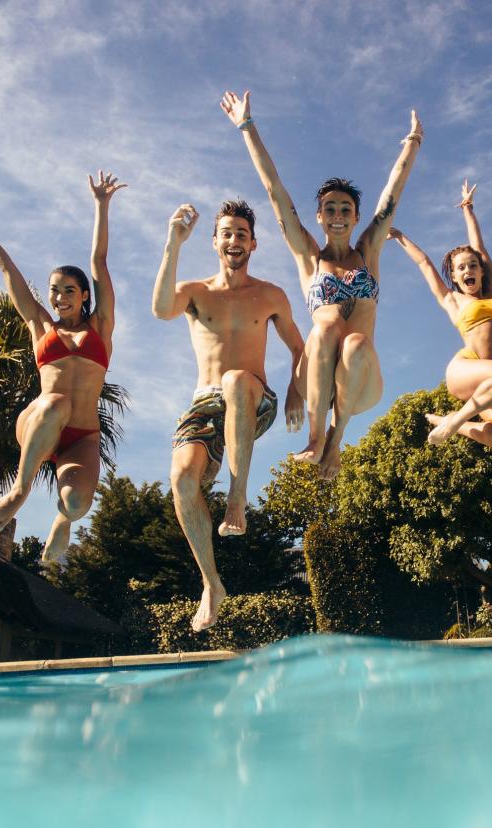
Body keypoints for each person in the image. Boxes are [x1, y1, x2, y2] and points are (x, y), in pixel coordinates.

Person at [220, 89, 422, 478]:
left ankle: (334, 438)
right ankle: (315, 437)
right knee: (327, 325)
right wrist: (247, 126)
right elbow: (274, 191)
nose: (338, 215)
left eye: (346, 209)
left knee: (358, 340)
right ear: (318, 217)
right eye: (329, 208)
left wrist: (412, 144)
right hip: (315, 371)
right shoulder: (309, 257)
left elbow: (391, 196)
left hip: (359, 381)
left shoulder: (368, 253)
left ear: (356, 215)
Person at [0, 171, 124, 562]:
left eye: (68, 291)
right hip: (40, 421)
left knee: (79, 503)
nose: (59, 298)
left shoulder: (101, 327)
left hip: (81, 435)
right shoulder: (40, 325)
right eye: (54, 290)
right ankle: (20, 492)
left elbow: (99, 260)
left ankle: (62, 521)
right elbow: (8, 270)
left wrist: (101, 205)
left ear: (83, 296)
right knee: (54, 402)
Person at [153, 199, 305, 632]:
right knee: (183, 480)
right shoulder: (195, 292)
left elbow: (300, 347)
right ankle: (211, 584)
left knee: (237, 379)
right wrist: (172, 242)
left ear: (253, 243)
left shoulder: (270, 294)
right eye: (227, 233)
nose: (234, 239)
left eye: (242, 233)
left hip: (254, 397)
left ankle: (237, 495)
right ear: (215, 240)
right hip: (204, 402)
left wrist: (296, 389)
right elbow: (161, 309)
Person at [387, 180, 492, 452]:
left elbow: (480, 246)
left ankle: (454, 421)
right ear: (453, 275)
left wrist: (467, 208)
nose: (468, 271)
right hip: (466, 369)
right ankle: (457, 420)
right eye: (461, 268)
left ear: (482, 270)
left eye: (472, 265)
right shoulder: (453, 299)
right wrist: (400, 236)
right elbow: (424, 264)